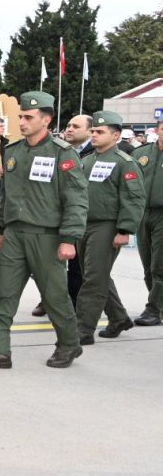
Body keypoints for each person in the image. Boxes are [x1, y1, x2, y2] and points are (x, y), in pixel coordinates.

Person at [0, 91, 89, 370]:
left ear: (46, 120)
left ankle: (69, 345)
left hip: (47, 237)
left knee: (55, 297)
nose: (21, 122)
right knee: (2, 294)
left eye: (28, 117)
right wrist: (1, 230)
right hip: (14, 236)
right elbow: (6, 194)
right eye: (20, 116)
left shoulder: (62, 153)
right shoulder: (13, 151)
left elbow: (76, 197)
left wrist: (69, 238)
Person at [74, 110, 144, 346]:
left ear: (115, 136)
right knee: (96, 275)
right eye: (93, 131)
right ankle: (119, 318)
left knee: (93, 278)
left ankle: (83, 329)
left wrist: (124, 230)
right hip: (84, 224)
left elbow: (134, 198)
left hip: (107, 226)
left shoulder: (125, 163)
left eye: (100, 132)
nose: (94, 135)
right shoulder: (86, 161)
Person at [32, 113, 96, 317]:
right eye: (68, 125)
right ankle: (48, 299)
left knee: (76, 267)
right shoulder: (56, 150)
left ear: (89, 131)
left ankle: (74, 305)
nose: (69, 129)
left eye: (76, 126)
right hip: (52, 216)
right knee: (47, 265)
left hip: (79, 217)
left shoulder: (95, 153)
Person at [131, 119, 163, 326]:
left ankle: (153, 309)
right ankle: (158, 303)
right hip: (142, 214)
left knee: (159, 265)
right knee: (147, 264)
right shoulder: (140, 154)